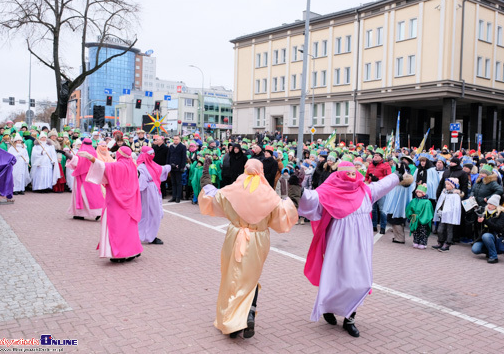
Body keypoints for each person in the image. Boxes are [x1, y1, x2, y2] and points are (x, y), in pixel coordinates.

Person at [298, 161, 401, 337]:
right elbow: (312, 199)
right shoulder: (329, 190)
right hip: (338, 241)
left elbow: (381, 185)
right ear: (340, 174)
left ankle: (350, 318)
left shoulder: (365, 190)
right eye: (348, 174)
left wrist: (396, 176)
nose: (352, 178)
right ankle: (328, 308)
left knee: (360, 281)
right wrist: (299, 191)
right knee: (336, 277)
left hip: (361, 243)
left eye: (354, 174)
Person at [198, 159, 298, 339]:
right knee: (251, 277)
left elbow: (211, 198)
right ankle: (249, 312)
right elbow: (283, 216)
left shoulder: (231, 190)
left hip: (234, 236)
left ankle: (232, 320)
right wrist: (295, 192)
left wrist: (205, 179)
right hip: (258, 239)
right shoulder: (268, 194)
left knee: (231, 275)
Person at [80, 146, 143, 263]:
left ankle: (119, 253)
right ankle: (132, 251)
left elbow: (103, 166)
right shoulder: (132, 166)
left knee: (115, 226)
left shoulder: (118, 165)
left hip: (115, 201)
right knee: (128, 227)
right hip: (129, 202)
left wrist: (90, 158)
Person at [137, 146, 171, 245]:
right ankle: (149, 236)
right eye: (150, 154)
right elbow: (141, 183)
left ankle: (148, 235)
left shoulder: (151, 164)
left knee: (154, 213)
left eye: (153, 153)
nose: (152, 155)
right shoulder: (141, 167)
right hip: (148, 191)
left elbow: (160, 169)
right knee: (149, 213)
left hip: (154, 189)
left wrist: (170, 166)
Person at [66, 138, 104, 221]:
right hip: (92, 177)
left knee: (82, 194)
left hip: (82, 177)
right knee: (94, 194)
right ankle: (98, 211)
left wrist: (70, 157)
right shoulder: (94, 152)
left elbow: (77, 163)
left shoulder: (81, 152)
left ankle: (80, 214)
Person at [472, 194, 504, 263]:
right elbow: (479, 228)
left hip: (495, 236)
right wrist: (479, 222)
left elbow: (498, 227)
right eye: (488, 204)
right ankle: (489, 250)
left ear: (496, 205)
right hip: (484, 236)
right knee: (475, 249)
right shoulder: (485, 212)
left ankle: (494, 256)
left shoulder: (501, 214)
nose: (489, 206)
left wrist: (485, 221)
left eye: (491, 204)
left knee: (486, 236)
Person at [433, 178, 463, 252]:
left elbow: (456, 207)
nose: (446, 186)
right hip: (442, 214)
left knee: (449, 230)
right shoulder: (444, 193)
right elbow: (440, 202)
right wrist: (439, 210)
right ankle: (440, 241)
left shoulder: (455, 195)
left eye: (448, 184)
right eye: (446, 184)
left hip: (450, 215)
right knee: (440, 230)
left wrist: (450, 213)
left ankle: (447, 243)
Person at [366, 149, 391, 234]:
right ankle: (374, 225)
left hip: (381, 189)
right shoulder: (370, 165)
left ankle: (383, 227)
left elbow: (388, 177)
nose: (375, 157)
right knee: (373, 209)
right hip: (372, 188)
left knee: (382, 209)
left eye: (377, 155)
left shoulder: (385, 165)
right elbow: (366, 176)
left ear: (381, 157)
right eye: (374, 155)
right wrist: (367, 181)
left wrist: (378, 179)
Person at [405, 184, 434, 249]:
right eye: (417, 192)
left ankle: (422, 243)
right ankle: (416, 241)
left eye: (420, 192)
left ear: (423, 193)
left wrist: (422, 219)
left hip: (422, 220)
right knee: (415, 231)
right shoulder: (414, 200)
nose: (418, 193)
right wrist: (411, 215)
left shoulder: (427, 202)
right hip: (415, 219)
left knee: (423, 231)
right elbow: (409, 208)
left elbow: (427, 212)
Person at [166, 135, 187, 203]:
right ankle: (173, 196)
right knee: (173, 182)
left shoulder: (183, 147)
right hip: (172, 167)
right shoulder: (171, 146)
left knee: (178, 182)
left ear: (179, 140)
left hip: (178, 167)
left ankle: (178, 197)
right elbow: (168, 156)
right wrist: (168, 165)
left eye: (177, 139)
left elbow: (184, 158)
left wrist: (182, 167)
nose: (175, 140)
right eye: (174, 139)